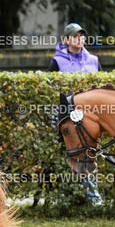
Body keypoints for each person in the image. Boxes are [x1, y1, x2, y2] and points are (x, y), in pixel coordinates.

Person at [48, 22, 102, 206]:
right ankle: (70, 198)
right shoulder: (57, 61)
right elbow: (50, 89)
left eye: (81, 36)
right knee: (70, 154)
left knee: (94, 153)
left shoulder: (93, 60)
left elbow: (101, 87)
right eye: (74, 36)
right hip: (66, 115)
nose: (79, 39)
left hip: (91, 115)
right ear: (66, 40)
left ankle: (94, 197)